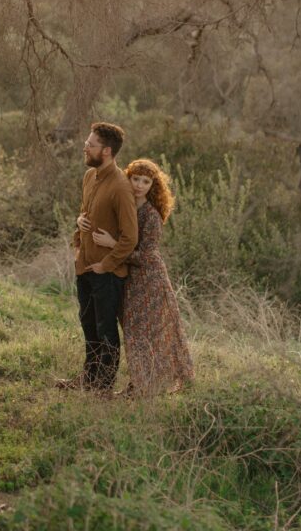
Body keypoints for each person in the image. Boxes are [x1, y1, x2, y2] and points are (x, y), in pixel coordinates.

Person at [92, 158, 193, 396]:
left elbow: (147, 256)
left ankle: (144, 387)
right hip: (127, 280)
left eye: (145, 181)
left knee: (146, 335)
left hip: (149, 281)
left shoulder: (151, 216)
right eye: (135, 179)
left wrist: (113, 245)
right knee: (133, 334)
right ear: (127, 178)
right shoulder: (124, 205)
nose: (138, 185)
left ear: (152, 186)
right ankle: (139, 384)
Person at [59, 122, 138, 392]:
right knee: (88, 326)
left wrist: (106, 264)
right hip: (85, 267)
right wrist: (79, 230)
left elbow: (130, 238)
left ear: (106, 151)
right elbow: (84, 212)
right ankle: (88, 380)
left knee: (106, 332)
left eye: (90, 144)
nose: (85, 147)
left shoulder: (121, 187)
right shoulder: (89, 177)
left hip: (107, 274)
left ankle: (103, 388)